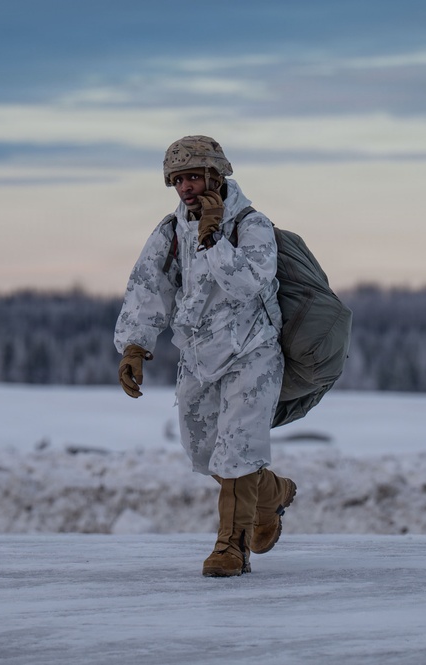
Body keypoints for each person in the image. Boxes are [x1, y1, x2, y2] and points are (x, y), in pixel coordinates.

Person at [114, 135, 297, 577]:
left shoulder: (251, 225)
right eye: (178, 180)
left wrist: (214, 239)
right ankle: (272, 495)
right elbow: (148, 286)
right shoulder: (171, 230)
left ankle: (231, 550)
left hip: (251, 352)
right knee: (204, 453)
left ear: (216, 176)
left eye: (194, 177)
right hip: (197, 356)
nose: (187, 188)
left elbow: (250, 284)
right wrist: (135, 346)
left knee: (236, 452)